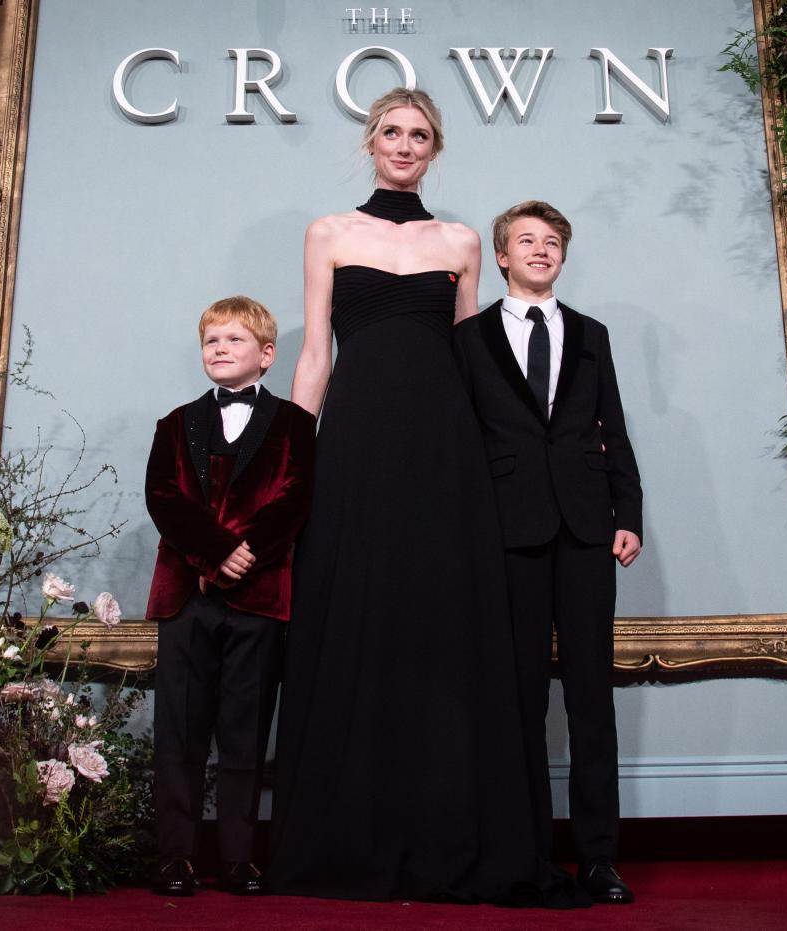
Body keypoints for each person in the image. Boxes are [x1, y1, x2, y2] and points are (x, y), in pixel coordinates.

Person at [267, 89, 583, 907]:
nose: (404, 146)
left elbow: (474, 360)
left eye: (419, 136)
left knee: (441, 629)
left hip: (447, 454)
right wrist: (293, 467)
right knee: (355, 615)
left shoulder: (461, 240)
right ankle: (348, 837)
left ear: (434, 150)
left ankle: (449, 831)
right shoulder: (329, 233)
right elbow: (313, 360)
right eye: (391, 133)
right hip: (358, 447)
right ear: (369, 142)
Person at [454, 201, 643, 904]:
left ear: (561, 256)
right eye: (526, 240)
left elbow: (612, 426)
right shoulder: (469, 339)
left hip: (589, 527)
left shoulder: (591, 334)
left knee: (592, 696)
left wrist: (629, 511)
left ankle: (599, 857)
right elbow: (463, 442)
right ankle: (527, 850)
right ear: (501, 256)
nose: (540, 249)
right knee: (519, 698)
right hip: (508, 530)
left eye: (552, 241)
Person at [144, 296, 315, 897]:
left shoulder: (296, 424)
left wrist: (248, 553)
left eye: (234, 340)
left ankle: (239, 857)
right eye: (211, 341)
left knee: (245, 731)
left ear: (266, 355)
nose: (220, 349)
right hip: (186, 599)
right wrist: (215, 552)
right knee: (180, 733)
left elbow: (296, 498)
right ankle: (175, 857)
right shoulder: (175, 423)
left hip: (258, 598)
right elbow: (164, 498)